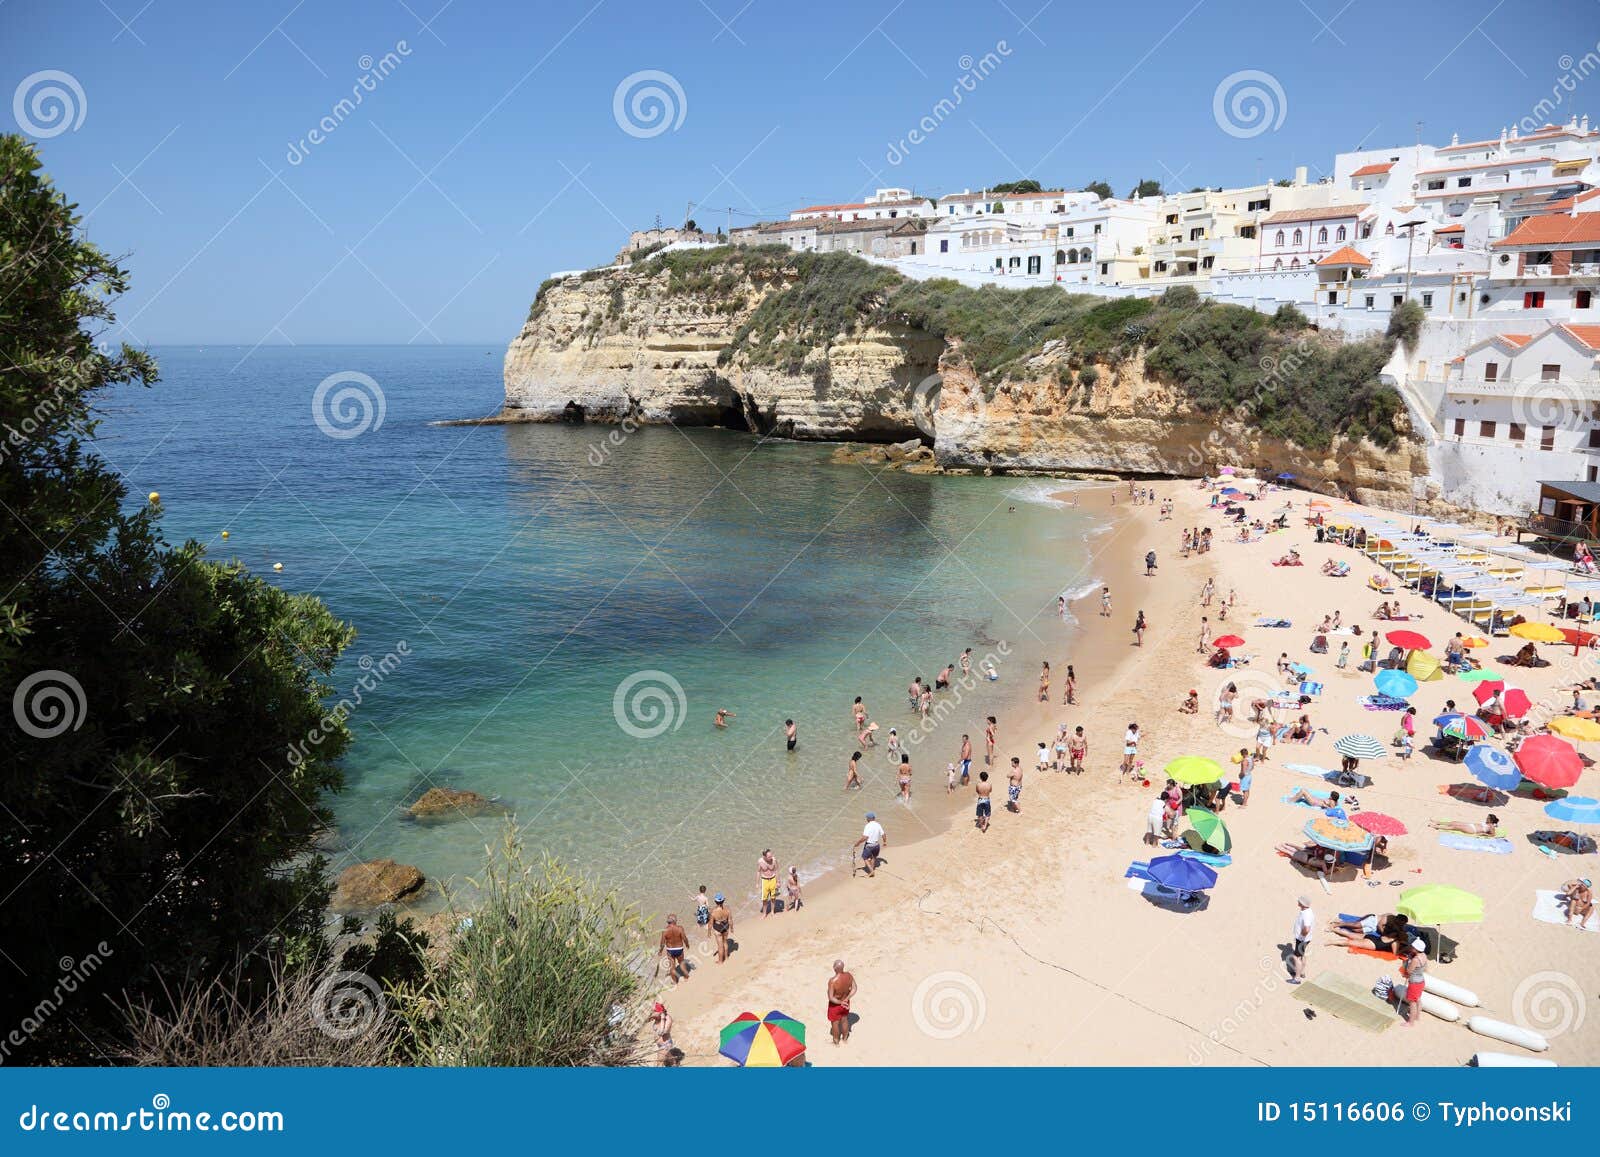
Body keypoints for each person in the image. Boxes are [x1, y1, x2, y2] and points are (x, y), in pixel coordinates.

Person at [827, 960, 857, 1045]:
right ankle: (845, 1038)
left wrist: (840, 1002)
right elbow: (854, 988)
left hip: (835, 1005)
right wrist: (847, 999)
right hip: (846, 1002)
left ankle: (836, 1041)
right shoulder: (849, 975)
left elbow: (831, 997)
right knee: (844, 1020)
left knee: (835, 1023)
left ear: (834, 968)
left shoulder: (832, 981)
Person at [1399, 939, 1427, 1027]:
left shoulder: (1415, 959)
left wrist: (1406, 962)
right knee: (1418, 999)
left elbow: (1409, 971)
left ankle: (1411, 1022)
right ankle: (1417, 1016)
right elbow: (1425, 968)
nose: (1411, 948)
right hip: (1421, 981)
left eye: (1413, 947)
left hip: (1414, 983)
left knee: (1412, 1002)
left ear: (1415, 949)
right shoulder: (1424, 955)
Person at [1289, 896, 1314, 985]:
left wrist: (1301, 936)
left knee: (1296, 957)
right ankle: (1302, 972)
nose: (1298, 902)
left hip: (1302, 940)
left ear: (1302, 904)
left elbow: (1306, 929)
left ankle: (1297, 978)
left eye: (1299, 901)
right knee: (1303, 955)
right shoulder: (1308, 911)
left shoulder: (1306, 914)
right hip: (1306, 939)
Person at [658, 915, 690, 985]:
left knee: (672, 966)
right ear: (675, 921)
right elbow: (684, 938)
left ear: (668, 921)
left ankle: (675, 982)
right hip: (679, 949)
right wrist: (687, 944)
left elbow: (662, 942)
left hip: (670, 950)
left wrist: (660, 951)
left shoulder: (665, 930)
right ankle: (686, 977)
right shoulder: (680, 928)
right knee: (681, 963)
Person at [854, 812, 885, 876]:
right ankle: (872, 869)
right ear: (874, 818)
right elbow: (883, 834)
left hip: (869, 846)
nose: (866, 819)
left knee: (864, 857)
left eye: (866, 818)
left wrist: (858, 843)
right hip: (876, 845)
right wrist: (885, 842)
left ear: (868, 819)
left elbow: (865, 837)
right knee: (873, 857)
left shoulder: (867, 826)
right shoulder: (878, 825)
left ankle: (871, 871)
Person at [708, 893, 732, 963]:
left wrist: (709, 932)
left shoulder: (713, 911)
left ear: (715, 902)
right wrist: (732, 928)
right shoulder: (727, 909)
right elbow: (730, 920)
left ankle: (720, 961)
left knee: (720, 946)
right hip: (725, 927)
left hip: (718, 928)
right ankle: (726, 957)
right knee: (725, 942)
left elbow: (711, 923)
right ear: (723, 901)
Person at [1429, 814, 1500, 837]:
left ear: (1491, 820)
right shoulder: (1487, 822)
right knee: (1454, 822)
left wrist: (1484, 834)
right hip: (1471, 825)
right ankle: (1438, 822)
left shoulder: (1491, 827)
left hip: (1472, 830)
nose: (1486, 818)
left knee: (1456, 827)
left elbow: (1493, 835)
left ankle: (1436, 826)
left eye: (1488, 818)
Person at [757, 850, 779, 917]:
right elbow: (758, 872)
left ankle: (772, 912)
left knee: (773, 897)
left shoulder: (774, 860)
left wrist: (778, 881)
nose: (771, 857)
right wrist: (757, 883)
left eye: (771, 855)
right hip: (765, 880)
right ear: (764, 857)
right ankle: (764, 913)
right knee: (764, 899)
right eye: (769, 856)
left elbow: (777, 870)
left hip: (773, 879)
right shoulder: (760, 861)